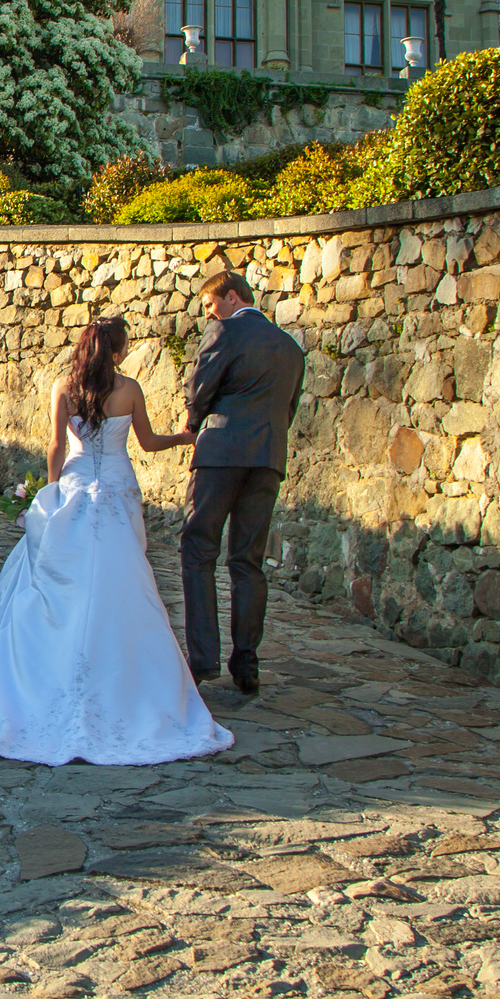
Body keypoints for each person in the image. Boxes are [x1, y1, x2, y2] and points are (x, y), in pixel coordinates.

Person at [0, 316, 234, 766]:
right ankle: (129, 684)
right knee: (123, 585)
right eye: (124, 346)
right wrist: (185, 438)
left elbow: (56, 446)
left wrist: (51, 493)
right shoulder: (129, 389)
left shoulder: (63, 387)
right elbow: (148, 444)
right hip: (115, 491)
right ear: (114, 350)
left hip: (74, 491)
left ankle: (47, 682)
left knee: (62, 586)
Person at [179, 268, 306, 697]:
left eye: (212, 305)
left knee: (199, 548)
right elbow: (288, 407)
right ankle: (246, 662)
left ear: (233, 298)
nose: (210, 315)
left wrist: (195, 423)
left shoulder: (226, 332)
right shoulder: (291, 348)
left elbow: (199, 388)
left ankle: (203, 658)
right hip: (268, 459)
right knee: (248, 561)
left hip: (220, 453)